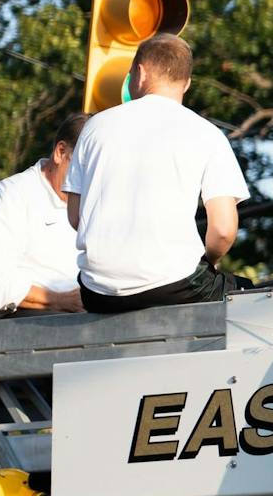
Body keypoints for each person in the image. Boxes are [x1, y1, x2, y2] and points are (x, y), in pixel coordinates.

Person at [64, 34, 252, 313]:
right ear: (186, 83)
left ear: (139, 73)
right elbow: (223, 230)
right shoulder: (206, 134)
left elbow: (75, 216)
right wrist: (208, 262)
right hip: (174, 286)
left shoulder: (94, 127)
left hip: (97, 292)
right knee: (251, 297)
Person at [0, 113, 89, 320]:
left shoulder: (98, 205)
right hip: (16, 328)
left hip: (86, 327)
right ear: (60, 152)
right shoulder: (9, 197)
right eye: (86, 166)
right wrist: (60, 300)